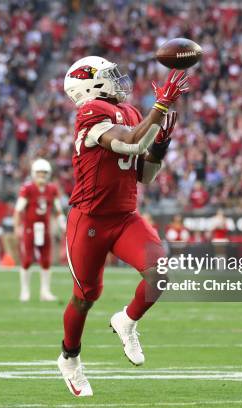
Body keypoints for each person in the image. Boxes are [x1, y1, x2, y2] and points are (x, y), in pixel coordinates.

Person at [57, 57, 188, 396]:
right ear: (88, 85)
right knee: (85, 297)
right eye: (108, 76)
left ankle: (127, 321)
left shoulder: (129, 111)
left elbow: (143, 174)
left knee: (160, 273)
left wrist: (160, 144)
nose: (118, 81)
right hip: (90, 219)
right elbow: (130, 142)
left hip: (125, 216)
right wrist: (160, 108)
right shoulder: (90, 112)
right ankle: (69, 358)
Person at [13, 159, 66, 302]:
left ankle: (45, 291)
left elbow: (58, 210)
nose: (41, 175)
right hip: (30, 229)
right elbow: (18, 210)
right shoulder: (28, 188)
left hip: (45, 228)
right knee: (27, 259)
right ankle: (24, 291)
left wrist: (62, 224)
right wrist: (17, 227)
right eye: (39, 172)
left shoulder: (52, 189)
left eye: (44, 172)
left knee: (46, 260)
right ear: (33, 173)